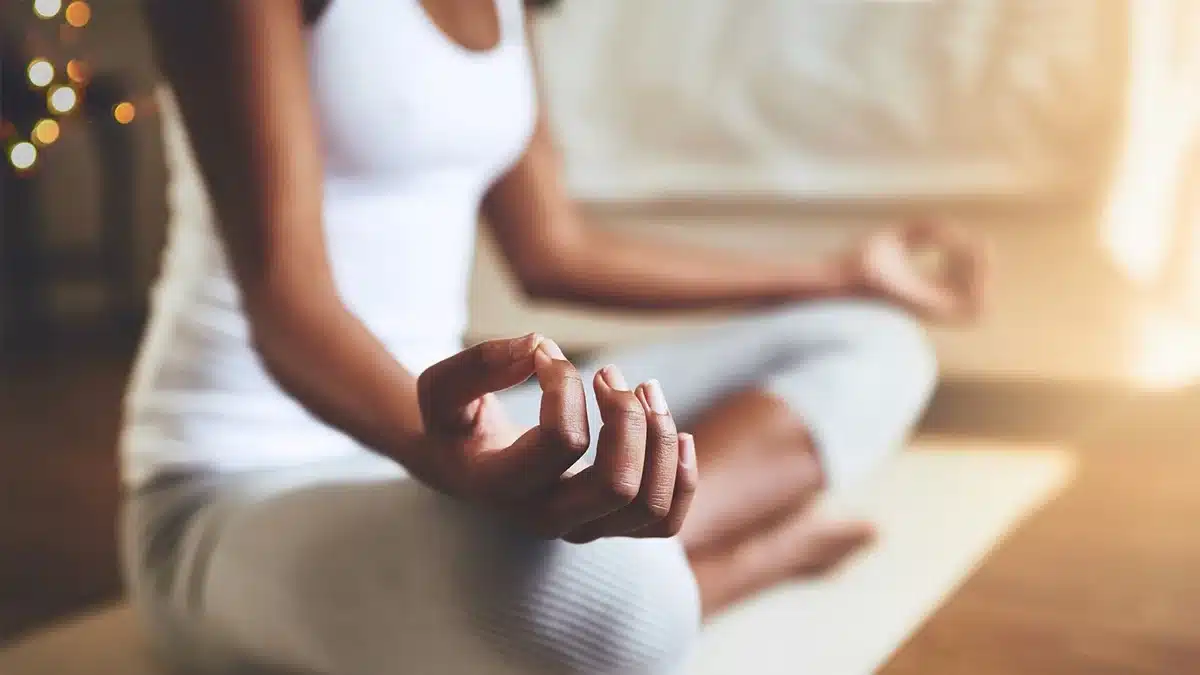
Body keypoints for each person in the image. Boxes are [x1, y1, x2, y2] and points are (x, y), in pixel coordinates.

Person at [121, 0, 988, 673]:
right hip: (235, 488)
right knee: (623, 607)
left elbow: (558, 249)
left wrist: (841, 273)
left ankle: (657, 536)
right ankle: (737, 556)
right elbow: (288, 301)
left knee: (873, 341)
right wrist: (449, 456)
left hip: (452, 445)